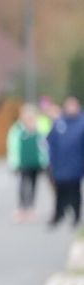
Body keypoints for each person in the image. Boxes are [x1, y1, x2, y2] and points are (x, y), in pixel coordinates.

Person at [47, 96, 84, 228]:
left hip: (76, 165)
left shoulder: (81, 123)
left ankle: (76, 217)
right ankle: (58, 215)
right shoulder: (59, 123)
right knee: (60, 193)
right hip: (60, 165)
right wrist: (51, 162)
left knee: (75, 192)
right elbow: (51, 143)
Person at [7, 104, 49, 222]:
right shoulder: (17, 130)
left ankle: (31, 206)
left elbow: (44, 146)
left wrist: (44, 160)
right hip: (22, 162)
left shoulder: (40, 129)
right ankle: (22, 207)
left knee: (34, 184)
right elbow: (13, 147)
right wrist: (13, 162)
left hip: (36, 162)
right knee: (23, 184)